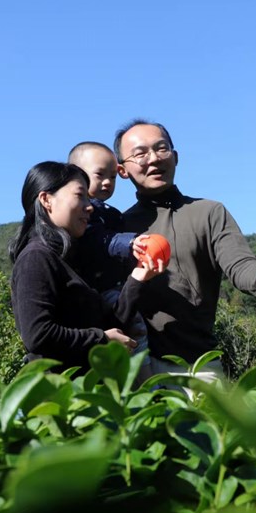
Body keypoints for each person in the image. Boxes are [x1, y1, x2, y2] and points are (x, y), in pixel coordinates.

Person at [114, 119, 256, 381]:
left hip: (198, 367)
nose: (154, 158)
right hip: (135, 367)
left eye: (161, 148)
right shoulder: (116, 228)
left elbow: (240, 265)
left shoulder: (209, 212)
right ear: (122, 170)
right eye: (140, 153)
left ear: (176, 157)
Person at [9, 161, 164, 370]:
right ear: (46, 200)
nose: (89, 206)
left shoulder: (69, 260)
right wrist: (100, 339)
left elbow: (111, 326)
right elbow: (38, 334)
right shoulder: (36, 258)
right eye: (79, 195)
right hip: (58, 395)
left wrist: (137, 279)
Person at [67, 142, 152, 377]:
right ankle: (145, 382)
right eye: (100, 175)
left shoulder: (110, 213)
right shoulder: (87, 215)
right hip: (98, 287)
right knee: (135, 328)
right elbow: (101, 239)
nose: (107, 182)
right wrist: (131, 243)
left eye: (113, 176)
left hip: (112, 284)